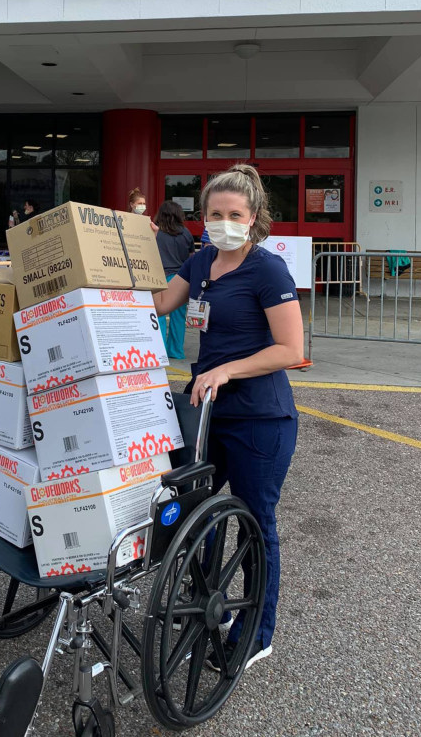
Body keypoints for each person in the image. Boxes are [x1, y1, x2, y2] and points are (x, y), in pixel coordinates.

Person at [154, 163, 303, 671]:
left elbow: (291, 349)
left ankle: (256, 633)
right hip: (208, 413)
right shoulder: (200, 263)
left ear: (254, 216)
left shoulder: (267, 269)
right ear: (202, 217)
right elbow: (158, 304)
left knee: (256, 524)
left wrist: (227, 370)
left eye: (233, 213)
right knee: (185, 502)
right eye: (214, 213)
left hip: (261, 418)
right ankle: (205, 598)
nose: (223, 221)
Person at [154, 200, 194, 359]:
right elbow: (191, 258)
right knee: (179, 317)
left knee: (159, 316)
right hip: (181, 279)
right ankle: (176, 351)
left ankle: (160, 351)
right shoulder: (186, 233)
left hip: (160, 278)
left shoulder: (156, 234)